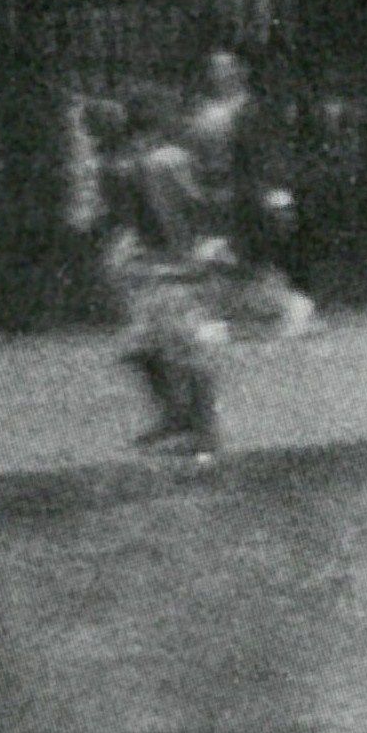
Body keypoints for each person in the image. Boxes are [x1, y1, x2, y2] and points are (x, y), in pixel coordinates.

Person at [102, 88, 234, 459]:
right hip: (158, 265)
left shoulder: (164, 160)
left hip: (173, 268)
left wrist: (191, 254)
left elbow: (185, 208)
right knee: (146, 348)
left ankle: (201, 428)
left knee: (183, 347)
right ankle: (178, 419)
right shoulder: (144, 160)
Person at [187, 46, 316, 337]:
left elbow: (265, 155)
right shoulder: (203, 111)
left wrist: (275, 192)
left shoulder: (251, 109)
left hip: (245, 194)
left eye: (228, 67)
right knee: (219, 255)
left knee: (250, 255)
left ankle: (282, 310)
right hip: (213, 194)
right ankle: (228, 315)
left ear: (239, 72)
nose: (222, 74)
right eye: (216, 68)